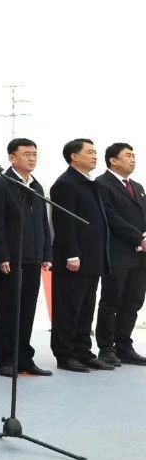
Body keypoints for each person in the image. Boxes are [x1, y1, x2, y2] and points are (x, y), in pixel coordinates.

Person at [0, 138, 53, 377]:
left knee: (27, 311)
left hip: (33, 258)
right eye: (26, 154)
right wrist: (2, 255)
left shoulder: (36, 186)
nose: (32, 158)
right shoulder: (0, 186)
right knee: (8, 311)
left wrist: (46, 252)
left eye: (35, 154)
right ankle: (4, 360)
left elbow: (43, 223)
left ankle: (24, 359)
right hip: (11, 260)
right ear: (12, 158)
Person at [49, 138, 112, 373]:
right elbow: (64, 223)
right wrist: (72, 254)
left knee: (86, 308)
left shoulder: (90, 182)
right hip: (74, 259)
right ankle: (65, 354)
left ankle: (83, 351)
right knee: (68, 308)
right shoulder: (65, 184)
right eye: (89, 152)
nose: (95, 156)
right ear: (74, 157)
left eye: (95, 152)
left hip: (92, 258)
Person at [94, 143, 146, 366]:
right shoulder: (102, 184)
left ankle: (124, 345)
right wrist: (138, 237)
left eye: (134, 155)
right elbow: (110, 216)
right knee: (111, 301)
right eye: (128, 156)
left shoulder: (137, 186)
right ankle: (106, 348)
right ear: (113, 160)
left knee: (133, 301)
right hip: (117, 252)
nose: (133, 159)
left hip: (140, 255)